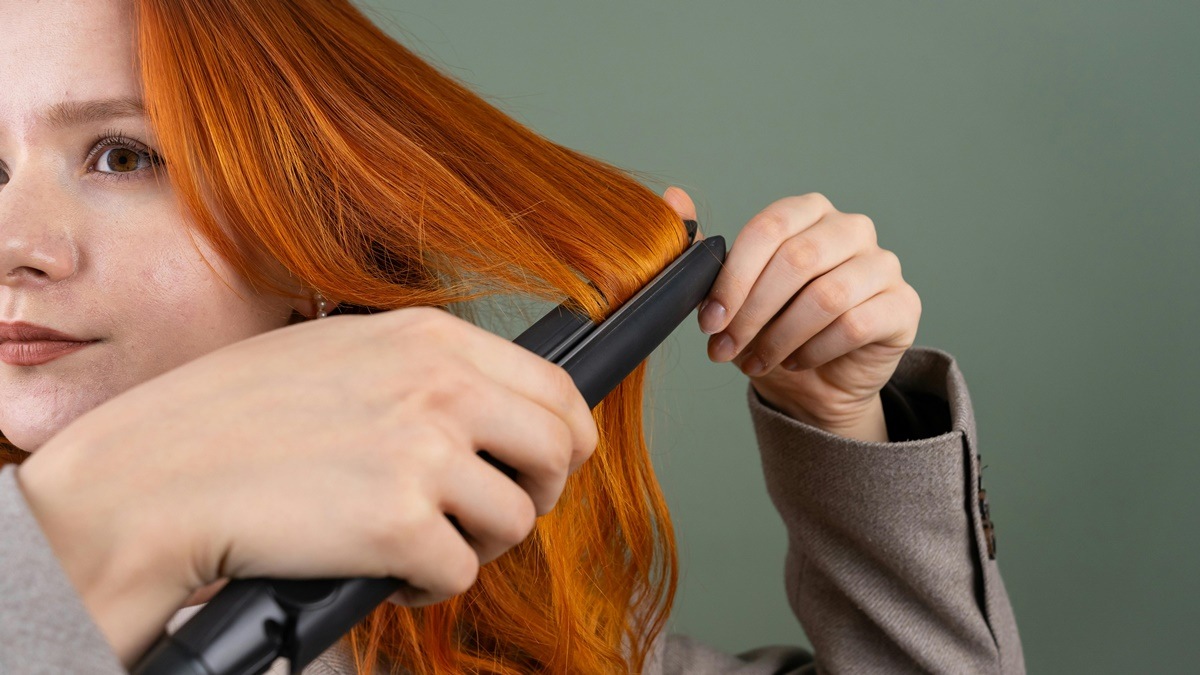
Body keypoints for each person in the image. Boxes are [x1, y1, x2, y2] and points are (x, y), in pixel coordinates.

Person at [0, 0, 1024, 673]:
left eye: (122, 156)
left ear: (308, 239)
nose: (16, 246)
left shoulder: (506, 649)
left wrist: (843, 425)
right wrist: (93, 530)